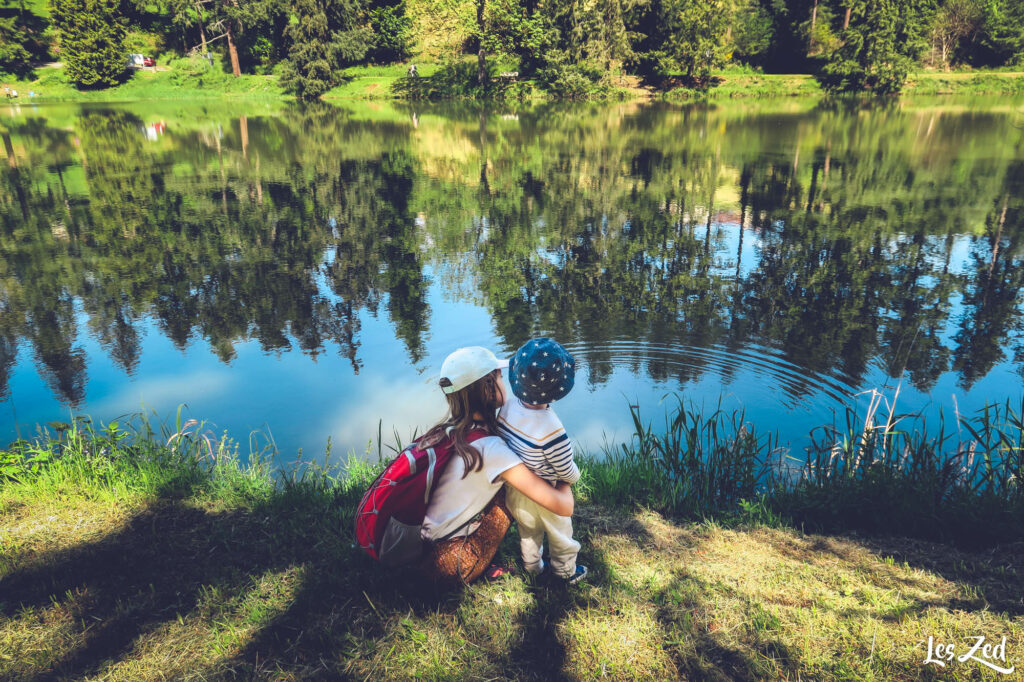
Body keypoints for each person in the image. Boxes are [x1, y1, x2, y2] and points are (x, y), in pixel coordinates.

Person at [419, 346, 574, 587]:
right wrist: (563, 481)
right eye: (501, 377)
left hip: (422, 547)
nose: (506, 383)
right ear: (488, 388)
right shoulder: (493, 451)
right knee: (512, 494)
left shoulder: (448, 430)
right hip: (450, 564)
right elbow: (564, 506)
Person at [498, 338, 586, 583]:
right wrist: (572, 479)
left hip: (517, 491)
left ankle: (532, 567)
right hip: (547, 494)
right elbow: (564, 468)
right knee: (561, 535)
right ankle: (565, 571)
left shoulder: (506, 408)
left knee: (528, 532)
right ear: (559, 389)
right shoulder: (552, 430)